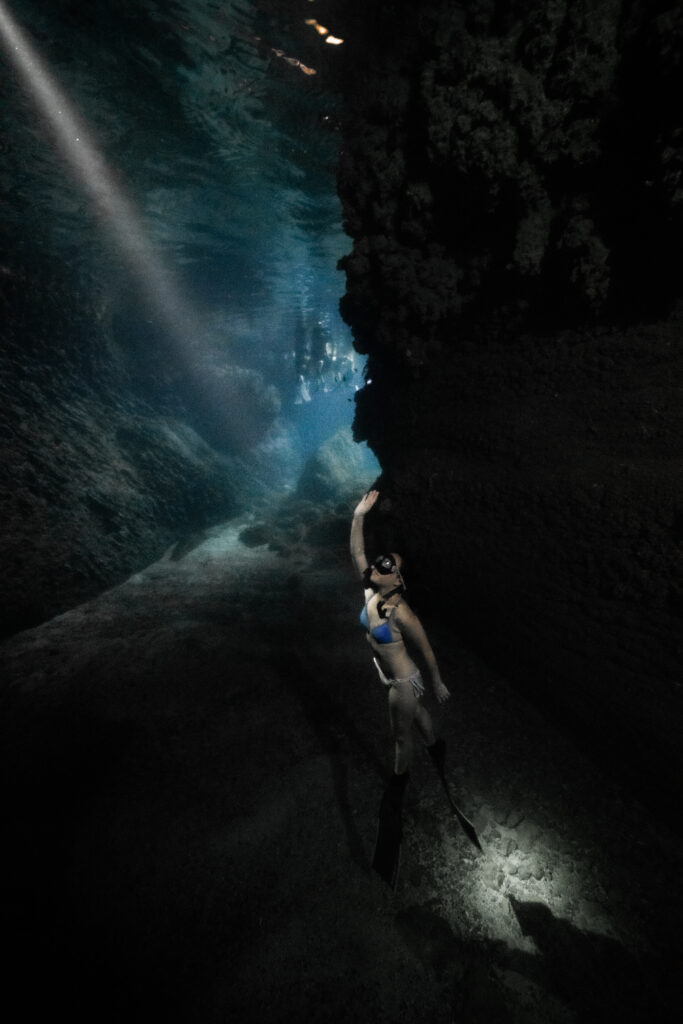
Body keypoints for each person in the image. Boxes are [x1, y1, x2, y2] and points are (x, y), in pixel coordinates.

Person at [350, 489, 450, 809]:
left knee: (401, 737)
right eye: (379, 564)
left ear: (396, 578)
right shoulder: (370, 590)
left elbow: (427, 649)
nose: (377, 566)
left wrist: (436, 682)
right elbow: (357, 554)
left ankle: (398, 783)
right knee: (418, 713)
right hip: (397, 677)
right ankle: (436, 746)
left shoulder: (401, 612)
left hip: (403, 682)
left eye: (386, 566)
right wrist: (358, 515)